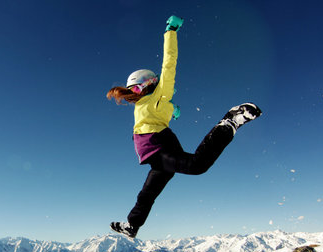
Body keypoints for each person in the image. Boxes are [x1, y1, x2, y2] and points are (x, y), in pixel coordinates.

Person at [106, 15, 262, 238]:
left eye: (138, 90)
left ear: (151, 84)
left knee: (197, 165)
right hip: (158, 147)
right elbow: (161, 109)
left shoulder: (160, 93)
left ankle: (230, 121)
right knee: (147, 193)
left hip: (158, 146)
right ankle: (132, 225)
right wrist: (173, 109)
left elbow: (169, 63)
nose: (135, 95)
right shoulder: (148, 103)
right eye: (133, 92)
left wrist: (170, 32)